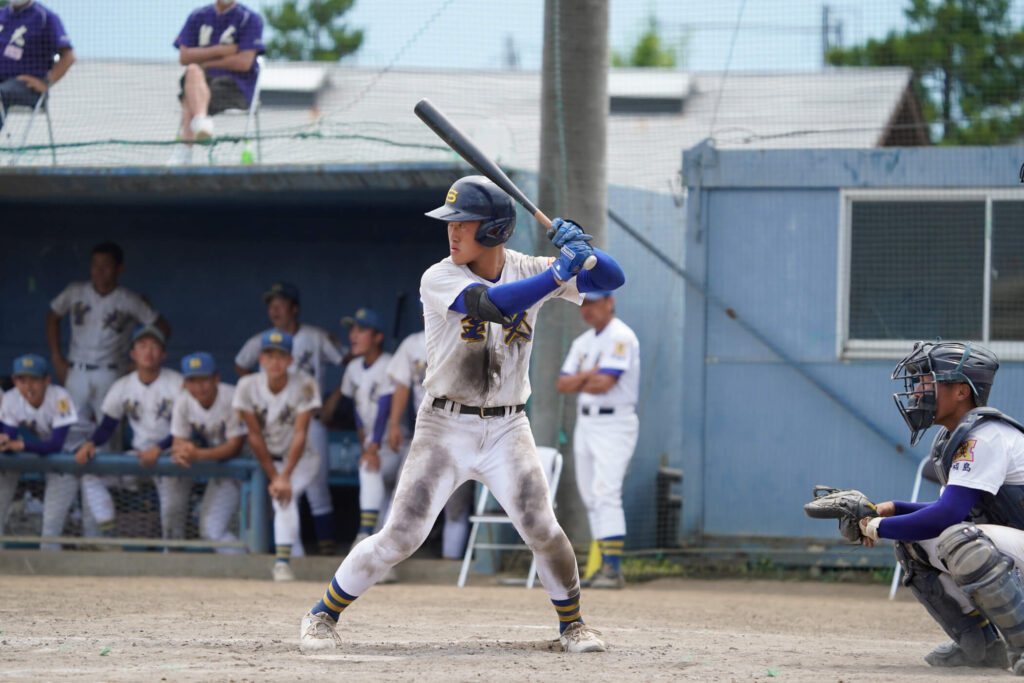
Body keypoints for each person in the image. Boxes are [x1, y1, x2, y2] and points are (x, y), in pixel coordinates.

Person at [299, 175, 624, 654]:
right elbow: (491, 304)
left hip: (508, 425)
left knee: (542, 527)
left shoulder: (528, 266)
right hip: (444, 425)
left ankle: (573, 626)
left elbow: (611, 281)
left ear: (493, 231)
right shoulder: (440, 276)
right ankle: (320, 616)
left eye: (463, 224)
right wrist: (559, 273)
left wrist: (583, 249)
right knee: (401, 536)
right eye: (450, 223)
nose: (451, 233)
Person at [856, 341, 1024, 673]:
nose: (918, 389)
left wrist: (875, 528)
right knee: (915, 542)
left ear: (962, 391)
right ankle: (983, 648)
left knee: (958, 541)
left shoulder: (986, 437)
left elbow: (948, 517)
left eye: (928, 380)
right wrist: (891, 509)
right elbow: (952, 507)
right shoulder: (957, 437)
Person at [235, 281, 345, 555]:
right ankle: (287, 551)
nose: (274, 310)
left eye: (280, 304)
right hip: (275, 422)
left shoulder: (316, 336)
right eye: (271, 305)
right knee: (282, 490)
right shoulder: (260, 341)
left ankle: (325, 547)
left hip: (310, 416)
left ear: (294, 308)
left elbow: (347, 362)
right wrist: (261, 395)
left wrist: (333, 398)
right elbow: (240, 365)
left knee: (316, 485)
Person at [46, 242, 172, 465]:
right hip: (76, 369)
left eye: (106, 265)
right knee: (69, 430)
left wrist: (141, 363)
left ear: (119, 269)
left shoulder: (129, 299)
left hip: (111, 372)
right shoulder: (76, 291)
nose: (99, 271)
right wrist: (56, 357)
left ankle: (110, 491)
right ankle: (73, 491)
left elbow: (162, 329)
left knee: (108, 435)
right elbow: (52, 316)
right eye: (95, 265)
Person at [556, 290, 640, 589]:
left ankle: (612, 569)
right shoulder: (583, 342)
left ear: (610, 302)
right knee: (591, 496)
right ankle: (605, 566)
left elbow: (604, 383)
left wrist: (584, 377)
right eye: (584, 303)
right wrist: (588, 375)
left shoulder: (621, 336)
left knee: (606, 492)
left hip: (614, 420)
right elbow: (563, 384)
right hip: (586, 422)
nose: (588, 308)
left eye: (594, 302)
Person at [73, 325, 186, 542]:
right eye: (142, 346)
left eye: (154, 346)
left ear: (163, 354)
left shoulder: (177, 383)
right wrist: (90, 444)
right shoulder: (123, 385)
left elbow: (185, 428)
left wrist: (159, 449)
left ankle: (171, 559)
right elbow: (107, 426)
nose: (148, 351)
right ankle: (109, 532)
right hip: (137, 456)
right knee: (90, 476)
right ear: (133, 354)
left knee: (171, 520)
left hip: (172, 456)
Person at [233, 330, 321, 581]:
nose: (275, 361)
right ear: (260, 359)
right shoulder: (247, 385)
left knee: (283, 498)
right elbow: (254, 435)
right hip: (269, 457)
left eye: (281, 356)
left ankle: (282, 563)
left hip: (302, 458)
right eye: (269, 355)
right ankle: (296, 557)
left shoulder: (304, 382)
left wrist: (283, 477)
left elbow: (300, 433)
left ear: (290, 360)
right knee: (284, 495)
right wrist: (274, 475)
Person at [386, 327, 473, 560]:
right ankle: (385, 560)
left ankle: (450, 565)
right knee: (402, 495)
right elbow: (402, 386)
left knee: (455, 505)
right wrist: (394, 423)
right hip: (426, 430)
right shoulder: (413, 342)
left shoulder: (468, 335)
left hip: (463, 431)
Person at [322, 308, 401, 552]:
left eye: (361, 330)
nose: (354, 335)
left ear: (378, 337)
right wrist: (365, 443)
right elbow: (357, 408)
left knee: (372, 475)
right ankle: (378, 561)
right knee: (381, 504)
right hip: (374, 445)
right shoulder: (354, 367)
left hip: (398, 445)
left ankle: (363, 534)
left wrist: (373, 447)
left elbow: (385, 409)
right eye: (353, 330)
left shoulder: (390, 363)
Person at [169, 0, 265, 165]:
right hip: (201, 83)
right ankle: (201, 121)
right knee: (192, 71)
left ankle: (184, 150)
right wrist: (222, 51)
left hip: (236, 89)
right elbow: (184, 57)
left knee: (190, 95)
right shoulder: (198, 16)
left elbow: (244, 62)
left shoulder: (250, 19)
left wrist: (203, 60)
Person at [170, 352, 248, 553]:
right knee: (212, 528)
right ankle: (247, 571)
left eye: (204, 379)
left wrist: (197, 455)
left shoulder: (232, 397)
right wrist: (181, 452)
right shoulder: (184, 402)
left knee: (255, 529)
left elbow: (235, 446)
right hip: (226, 471)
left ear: (216, 379)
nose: (198, 386)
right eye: (192, 381)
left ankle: (260, 572)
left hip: (253, 469)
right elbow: (179, 440)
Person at [0, 354, 78, 549]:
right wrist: (4, 441)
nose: (28, 386)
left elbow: (56, 445)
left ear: (46, 381)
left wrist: (22, 445)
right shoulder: (11, 399)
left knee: (52, 525)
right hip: (51, 453)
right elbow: (9, 437)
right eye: (21, 380)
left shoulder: (60, 397)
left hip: (77, 452)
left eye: (34, 380)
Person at [0, 0, 75, 133]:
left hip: (26, 84)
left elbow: (68, 57)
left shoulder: (45, 18)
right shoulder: (2, 14)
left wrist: (46, 83)